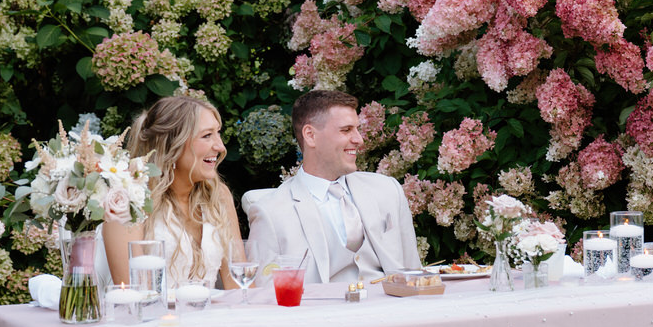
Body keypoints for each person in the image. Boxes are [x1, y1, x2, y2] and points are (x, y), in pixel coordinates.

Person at [247, 89, 420, 284]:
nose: (359, 139)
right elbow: (265, 294)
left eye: (357, 129)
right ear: (310, 135)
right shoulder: (270, 213)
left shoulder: (388, 190)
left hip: (392, 302)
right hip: (321, 304)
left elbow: (414, 274)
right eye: (346, 130)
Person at [103, 96, 244, 289]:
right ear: (172, 144)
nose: (220, 147)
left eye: (217, 133)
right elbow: (130, 293)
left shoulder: (218, 195)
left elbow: (239, 286)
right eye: (207, 135)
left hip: (211, 309)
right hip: (153, 309)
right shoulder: (127, 201)